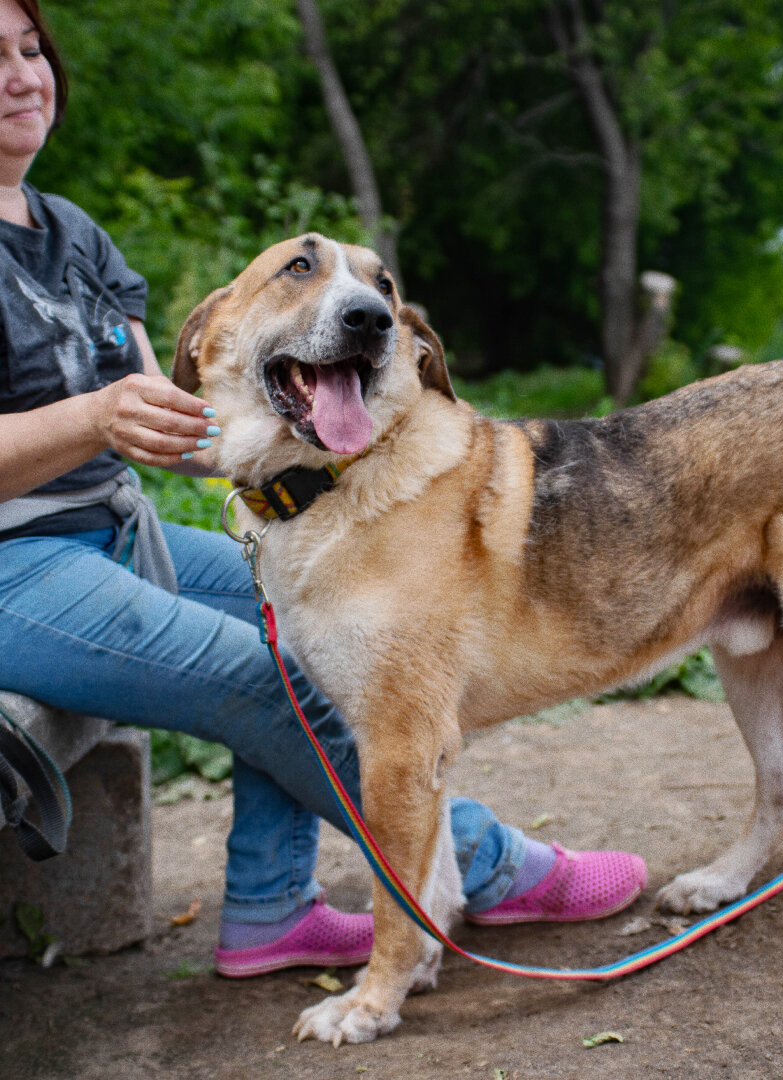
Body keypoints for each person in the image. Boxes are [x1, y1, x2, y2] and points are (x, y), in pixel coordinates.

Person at [0, 0, 646, 978]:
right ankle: (484, 863)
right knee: (273, 681)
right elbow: (112, 414)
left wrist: (341, 446)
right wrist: (94, 422)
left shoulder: (72, 235)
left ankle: (268, 908)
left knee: (292, 620)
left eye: (31, 49)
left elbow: (180, 412)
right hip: (18, 566)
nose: (22, 75)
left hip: (119, 535)